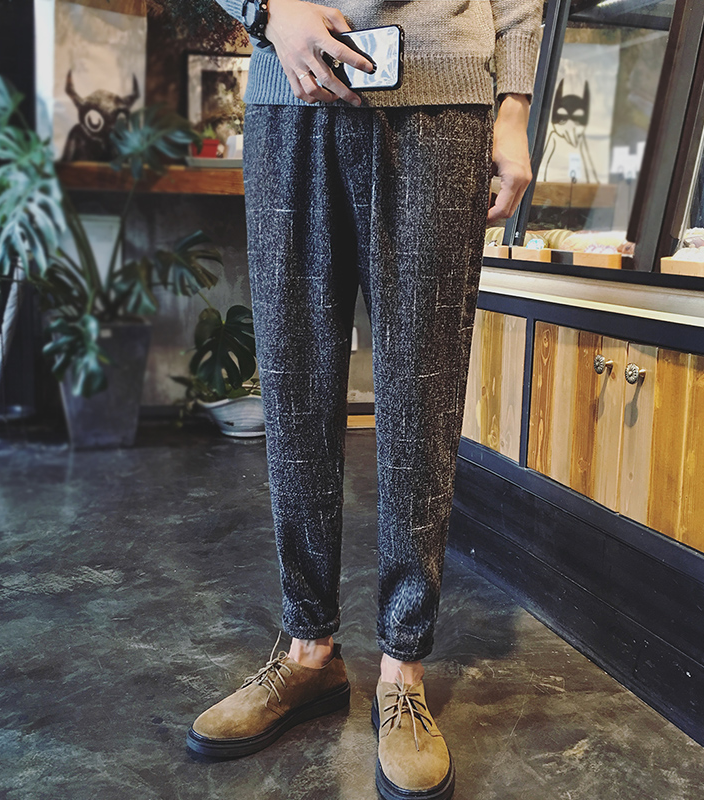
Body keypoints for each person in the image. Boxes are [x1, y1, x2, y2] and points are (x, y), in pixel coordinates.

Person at [187, 2, 542, 798]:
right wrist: (265, 11)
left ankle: (403, 668)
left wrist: (514, 107)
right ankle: (308, 651)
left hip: (439, 95)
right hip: (292, 89)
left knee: (421, 395)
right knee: (295, 387)